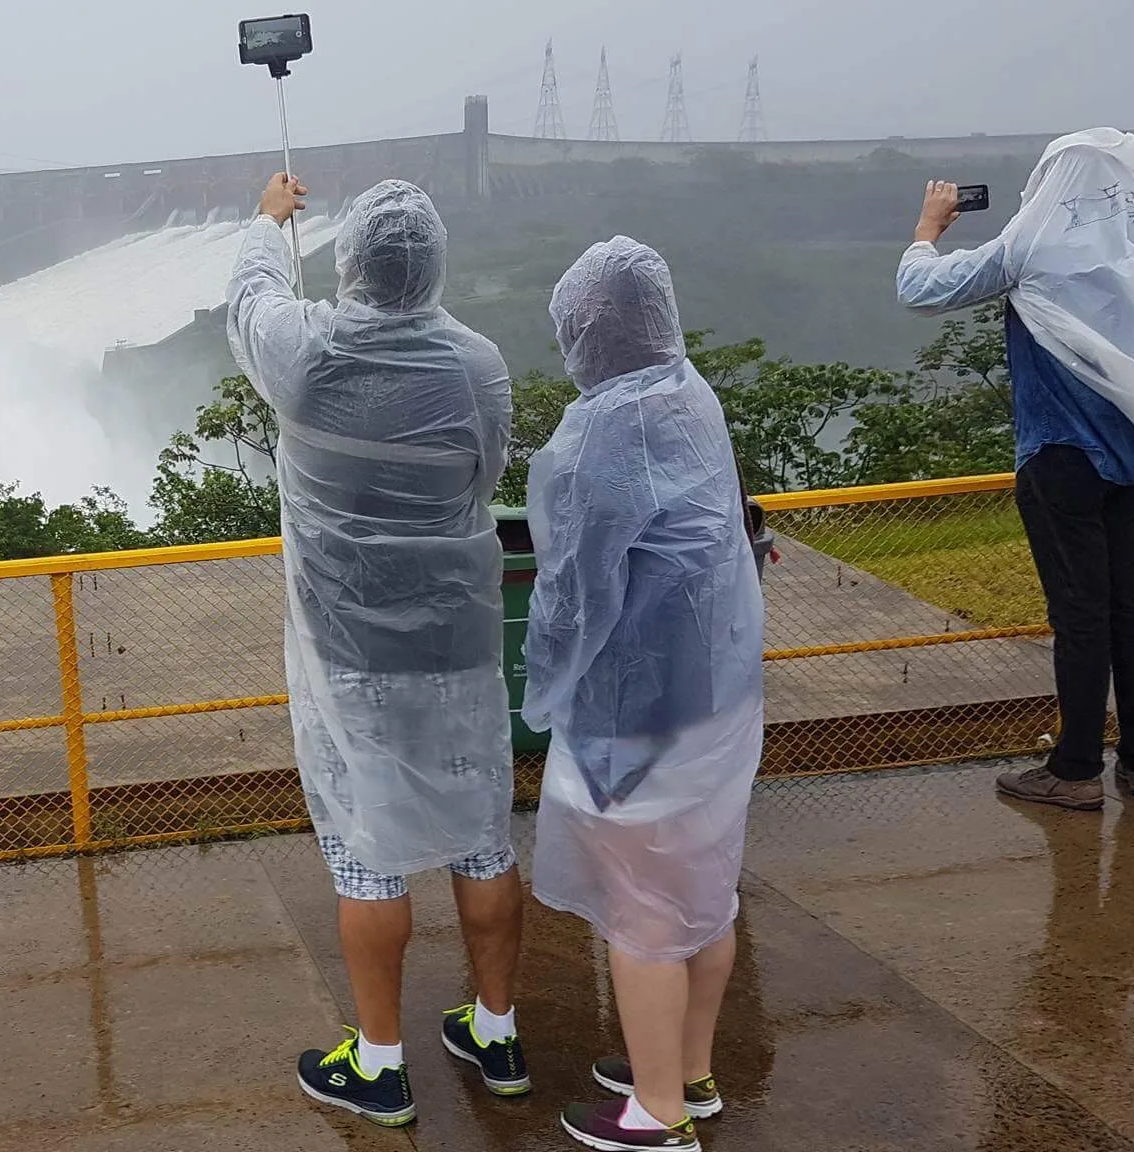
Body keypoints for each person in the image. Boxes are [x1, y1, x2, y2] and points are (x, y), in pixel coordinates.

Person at [226, 172, 525, 1127]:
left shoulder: (307, 357)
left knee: (367, 851)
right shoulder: (476, 365)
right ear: (431, 264)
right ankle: (497, 1030)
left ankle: (382, 1063)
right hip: (458, 637)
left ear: (351, 263)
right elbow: (491, 467)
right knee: (481, 834)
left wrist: (272, 222)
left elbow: (251, 299)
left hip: (346, 647)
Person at [896, 129, 1134, 811]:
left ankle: (1073, 771)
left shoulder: (1031, 248)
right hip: (1133, 457)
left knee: (1079, 615)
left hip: (1061, 457)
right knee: (1130, 605)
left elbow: (921, 289)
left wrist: (928, 228)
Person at [522, 238, 765, 1152]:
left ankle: (656, 1113)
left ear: (584, 328)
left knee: (646, 913)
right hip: (721, 697)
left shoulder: (602, 432)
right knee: (706, 889)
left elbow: (576, 595)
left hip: (642, 715)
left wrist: (545, 692)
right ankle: (687, 1072)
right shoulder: (686, 391)